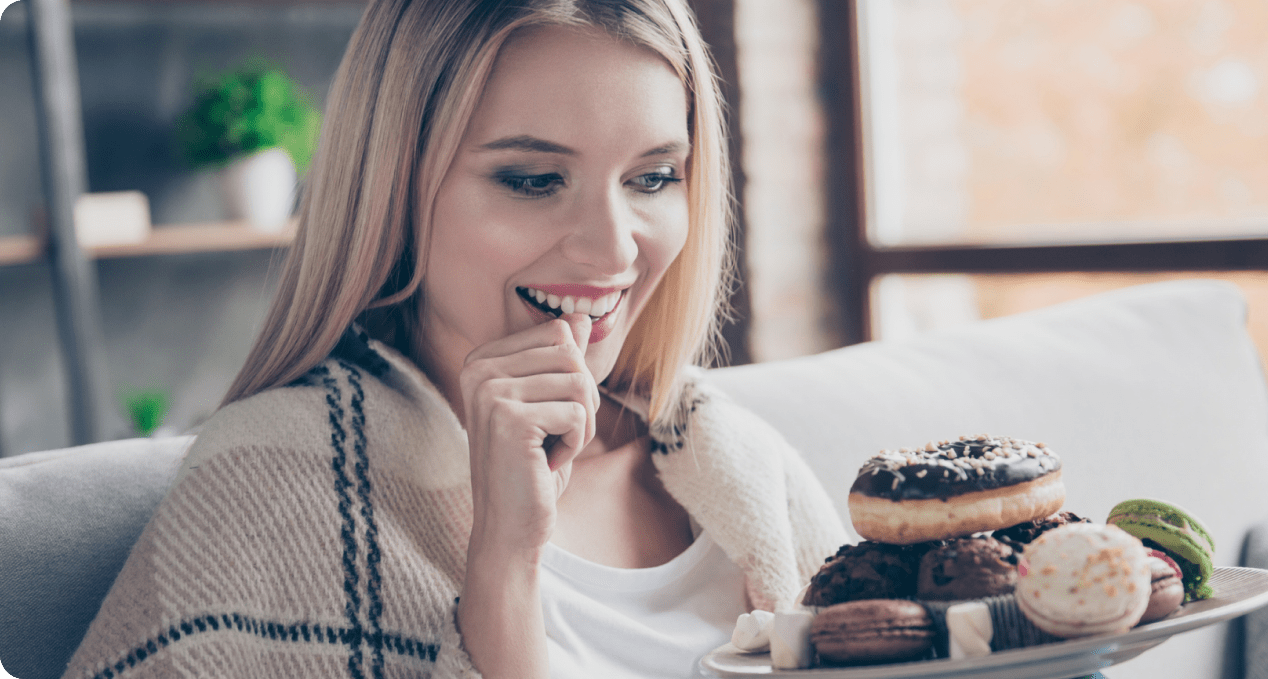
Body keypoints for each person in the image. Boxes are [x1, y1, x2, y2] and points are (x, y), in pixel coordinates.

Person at [61, 1, 849, 677]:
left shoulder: (744, 463)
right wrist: (503, 563)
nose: (614, 249)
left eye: (652, 177)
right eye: (533, 180)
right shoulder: (270, 486)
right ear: (394, 188)